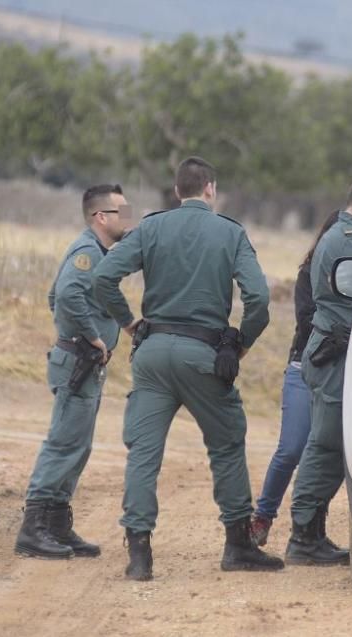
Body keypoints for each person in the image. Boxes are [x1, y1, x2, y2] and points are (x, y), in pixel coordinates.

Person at [92, 156, 283, 580]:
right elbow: (259, 300)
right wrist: (240, 343)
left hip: (153, 353)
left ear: (178, 191)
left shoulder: (151, 227)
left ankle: (139, 555)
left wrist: (129, 323)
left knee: (144, 454)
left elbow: (103, 278)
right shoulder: (230, 233)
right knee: (227, 445)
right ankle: (238, 546)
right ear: (211, 189)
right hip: (204, 356)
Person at [14, 184, 133, 559]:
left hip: (83, 363)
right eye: (121, 213)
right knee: (64, 444)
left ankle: (56, 524)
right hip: (78, 362)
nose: (127, 220)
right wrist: (91, 337)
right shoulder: (87, 252)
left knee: (77, 447)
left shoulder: (96, 252)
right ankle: (33, 528)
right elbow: (65, 295)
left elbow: (56, 295)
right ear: (101, 217)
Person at [285, 173, 352, 566]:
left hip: (337, 353)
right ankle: (304, 537)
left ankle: (310, 534)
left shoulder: (350, 238)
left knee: (329, 445)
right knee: (326, 446)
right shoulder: (347, 242)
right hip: (334, 356)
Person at [249, 211, 340, 547]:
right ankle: (262, 517)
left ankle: (311, 528)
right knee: (290, 450)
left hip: (342, 373)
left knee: (330, 454)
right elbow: (306, 321)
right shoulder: (308, 275)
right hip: (303, 368)